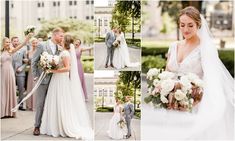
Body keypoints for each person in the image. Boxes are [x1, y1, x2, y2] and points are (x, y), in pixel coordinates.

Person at [142, 6, 234, 140]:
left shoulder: (205, 49)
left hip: (194, 105)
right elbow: (167, 73)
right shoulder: (174, 46)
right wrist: (161, 91)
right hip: (170, 105)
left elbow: (212, 81)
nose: (186, 29)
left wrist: (193, 101)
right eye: (182, 25)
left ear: (198, 25)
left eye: (190, 25)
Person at [40, 34, 93, 139]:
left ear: (65, 42)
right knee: (56, 100)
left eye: (62, 39)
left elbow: (68, 68)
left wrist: (52, 70)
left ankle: (61, 125)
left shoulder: (65, 53)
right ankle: (55, 125)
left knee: (60, 101)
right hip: (58, 79)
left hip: (60, 80)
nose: (61, 39)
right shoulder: (63, 51)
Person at [31, 28, 64, 136]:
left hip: (55, 80)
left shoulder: (59, 47)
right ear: (54, 36)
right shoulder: (42, 45)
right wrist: (36, 75)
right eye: (61, 36)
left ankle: (49, 126)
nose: (62, 38)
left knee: (53, 103)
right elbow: (34, 61)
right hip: (43, 78)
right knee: (40, 103)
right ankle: (37, 126)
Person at [1, 34, 32, 118]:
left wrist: (27, 39)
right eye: (6, 42)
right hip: (2, 72)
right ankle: (3, 111)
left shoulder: (11, 50)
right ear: (3, 43)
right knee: (3, 90)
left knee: (12, 89)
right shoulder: (1, 51)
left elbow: (21, 45)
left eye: (8, 42)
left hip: (10, 72)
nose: (8, 43)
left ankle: (11, 110)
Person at [12, 36, 28, 111]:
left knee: (21, 89)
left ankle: (21, 104)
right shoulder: (9, 50)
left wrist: (21, 68)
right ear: (12, 42)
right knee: (11, 89)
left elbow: (26, 62)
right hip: (10, 72)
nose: (16, 42)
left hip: (20, 72)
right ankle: (11, 104)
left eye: (17, 41)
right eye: (14, 41)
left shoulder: (23, 50)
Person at [26, 38, 38, 110]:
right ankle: (30, 104)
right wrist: (27, 61)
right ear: (31, 44)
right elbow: (28, 62)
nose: (35, 44)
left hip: (37, 71)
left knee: (36, 86)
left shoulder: (39, 51)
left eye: (36, 43)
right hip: (31, 71)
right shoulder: (28, 52)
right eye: (33, 43)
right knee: (30, 86)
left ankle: (36, 105)